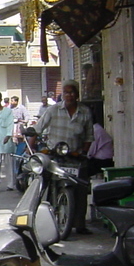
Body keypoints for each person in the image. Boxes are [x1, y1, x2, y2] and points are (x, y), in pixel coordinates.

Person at [36, 80, 94, 234]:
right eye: (66, 92)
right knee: (43, 184)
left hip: (75, 156)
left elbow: (89, 136)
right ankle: (43, 219)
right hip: (55, 155)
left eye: (72, 92)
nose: (69, 95)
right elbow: (38, 128)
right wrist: (32, 144)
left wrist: (83, 153)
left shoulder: (85, 112)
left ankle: (80, 224)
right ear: (63, 94)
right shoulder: (53, 110)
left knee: (81, 188)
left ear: (77, 94)